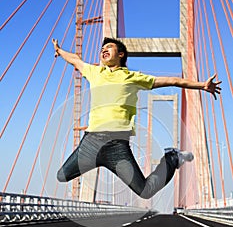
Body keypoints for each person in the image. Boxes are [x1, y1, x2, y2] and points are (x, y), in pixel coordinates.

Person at [52, 37, 221, 199]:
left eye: (109, 47)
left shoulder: (133, 77)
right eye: (102, 49)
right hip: (90, 143)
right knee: (62, 175)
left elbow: (172, 80)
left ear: (121, 54)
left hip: (116, 146)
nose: (104, 50)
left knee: (145, 191)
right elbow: (75, 60)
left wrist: (202, 86)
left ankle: (172, 158)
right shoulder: (95, 72)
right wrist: (59, 50)